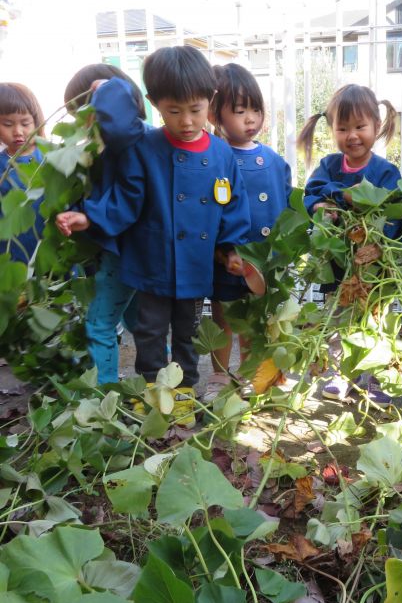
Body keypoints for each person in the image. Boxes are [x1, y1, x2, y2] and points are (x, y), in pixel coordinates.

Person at [56, 46, 251, 427]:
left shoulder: (223, 154)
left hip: (195, 269)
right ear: (153, 104)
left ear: (209, 101)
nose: (186, 121)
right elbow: (126, 198)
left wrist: (230, 250)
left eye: (195, 110)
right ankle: (151, 393)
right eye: (173, 111)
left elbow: (232, 206)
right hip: (151, 264)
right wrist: (88, 217)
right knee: (147, 334)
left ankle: (183, 396)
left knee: (187, 336)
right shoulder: (144, 147)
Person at [297, 83, 400, 404]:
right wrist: (320, 205)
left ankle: (375, 376)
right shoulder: (328, 167)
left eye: (360, 127)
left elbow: (397, 215)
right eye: (342, 128)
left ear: (376, 126)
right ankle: (340, 373)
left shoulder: (385, 172)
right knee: (337, 318)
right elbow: (311, 194)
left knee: (376, 321)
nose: (352, 135)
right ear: (331, 130)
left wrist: (382, 245)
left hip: (375, 265)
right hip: (337, 262)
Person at [204, 63, 292, 402]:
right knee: (225, 318)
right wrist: (223, 251)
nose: (251, 118)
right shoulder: (214, 158)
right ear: (215, 114)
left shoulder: (272, 159)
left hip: (265, 260)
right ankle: (218, 376)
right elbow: (210, 212)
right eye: (240, 111)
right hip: (228, 259)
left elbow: (286, 209)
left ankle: (257, 374)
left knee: (258, 319)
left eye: (256, 109)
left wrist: (283, 252)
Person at [63, 64, 147, 385]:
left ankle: (104, 398)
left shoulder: (129, 139)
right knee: (140, 321)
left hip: (125, 251)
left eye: (83, 111)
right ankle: (157, 383)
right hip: (131, 249)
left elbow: (125, 200)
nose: (80, 123)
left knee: (99, 324)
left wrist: (107, 91)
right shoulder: (104, 148)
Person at [0, 82, 45, 263]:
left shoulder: (51, 156)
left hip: (51, 251)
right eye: (7, 124)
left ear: (36, 120)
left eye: (25, 123)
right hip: (12, 252)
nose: (18, 132)